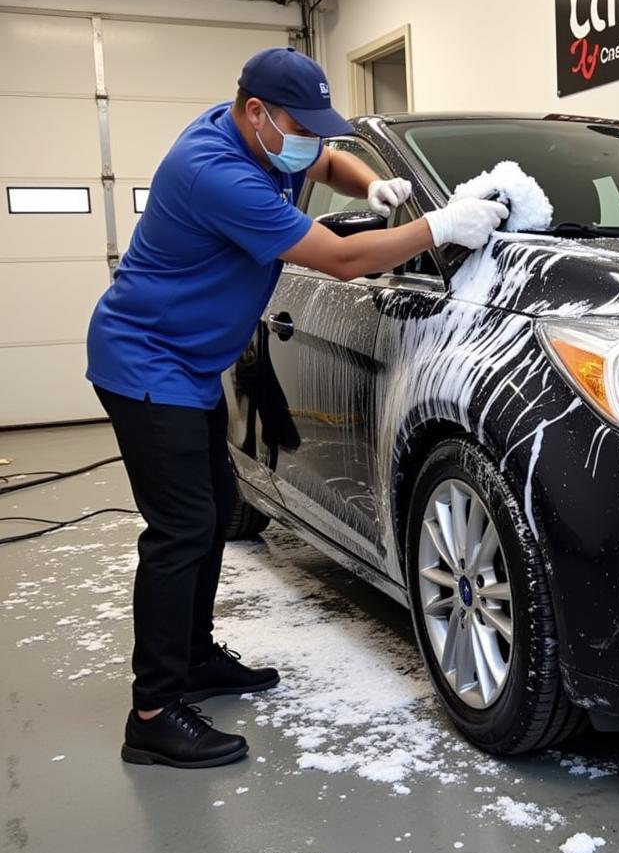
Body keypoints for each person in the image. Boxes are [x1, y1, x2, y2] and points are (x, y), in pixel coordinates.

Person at [85, 47, 506, 769]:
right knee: (181, 529)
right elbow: (340, 261)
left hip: (187, 364)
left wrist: (377, 187)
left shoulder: (254, 134)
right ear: (256, 113)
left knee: (214, 509)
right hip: (145, 361)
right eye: (299, 124)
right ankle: (152, 711)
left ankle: (192, 659)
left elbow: (329, 165)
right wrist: (436, 228)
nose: (311, 138)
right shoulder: (215, 172)